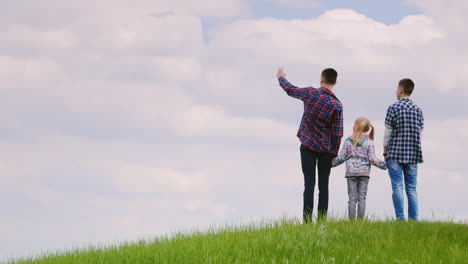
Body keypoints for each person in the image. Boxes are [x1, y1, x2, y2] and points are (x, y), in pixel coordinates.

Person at [277, 67, 343, 222]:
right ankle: (322, 221)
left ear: (321, 80)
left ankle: (307, 221)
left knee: (309, 184)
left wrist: (280, 77)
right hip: (326, 150)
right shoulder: (337, 105)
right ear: (335, 82)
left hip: (307, 146)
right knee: (324, 186)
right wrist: (334, 153)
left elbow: (290, 89)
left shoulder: (310, 93)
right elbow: (337, 133)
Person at [383, 78, 424, 221]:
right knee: (411, 188)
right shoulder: (418, 110)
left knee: (397, 187)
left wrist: (385, 152)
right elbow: (420, 131)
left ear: (400, 90)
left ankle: (400, 219)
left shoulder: (393, 108)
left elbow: (387, 133)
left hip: (394, 153)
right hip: (413, 154)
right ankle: (414, 219)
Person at [332, 117, 387, 220]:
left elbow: (342, 157)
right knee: (362, 198)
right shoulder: (369, 142)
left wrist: (330, 164)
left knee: (352, 198)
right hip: (364, 174)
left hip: (351, 173)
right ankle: (360, 221)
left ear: (355, 126)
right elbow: (372, 159)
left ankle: (351, 221)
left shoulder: (348, 141)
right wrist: (384, 165)